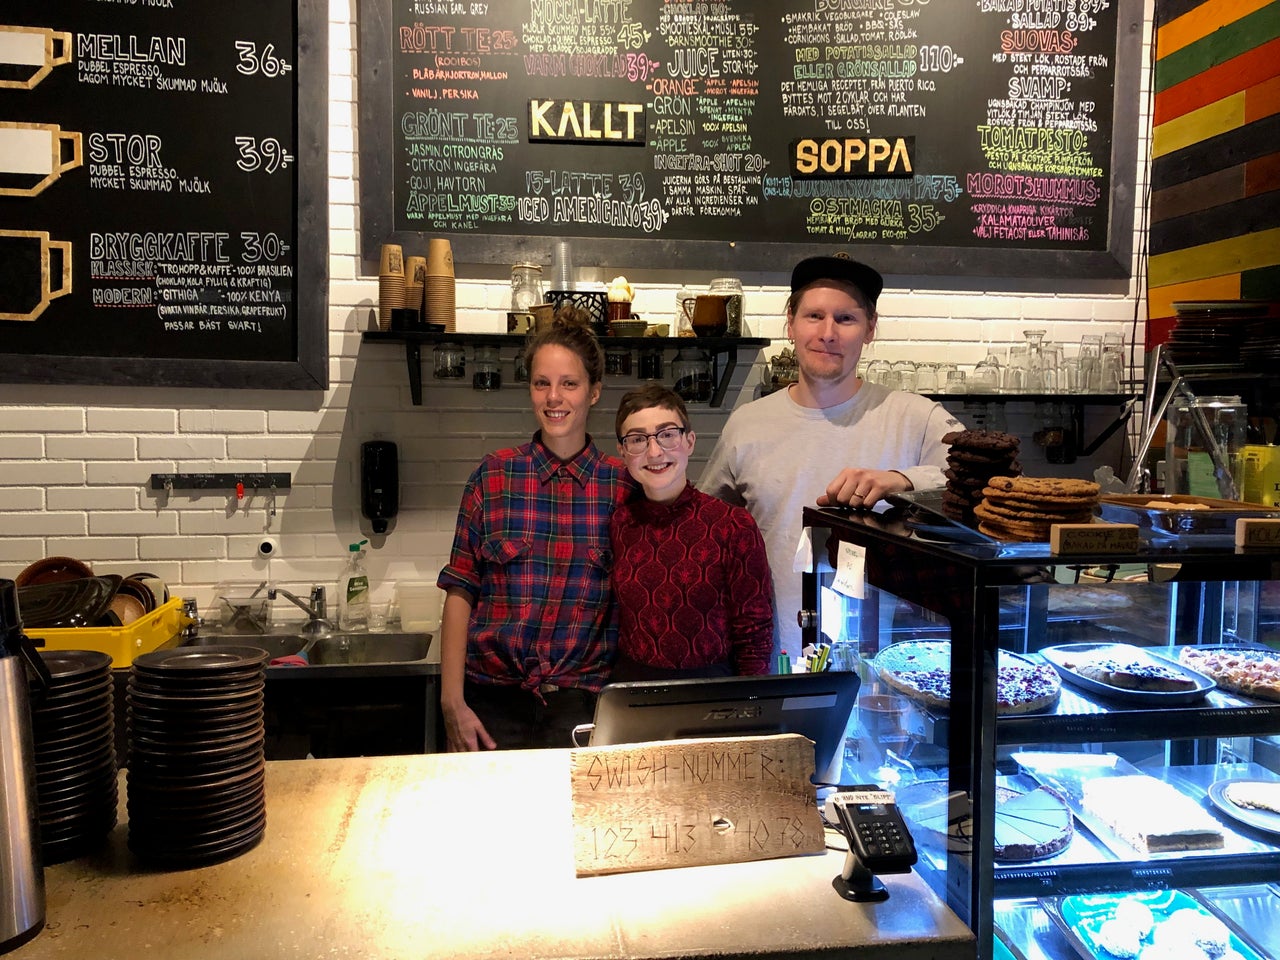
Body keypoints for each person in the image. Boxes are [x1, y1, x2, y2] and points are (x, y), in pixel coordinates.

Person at [699, 254, 963, 660]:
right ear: (790, 323)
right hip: (771, 661)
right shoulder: (748, 424)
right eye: (814, 316)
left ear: (870, 329)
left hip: (887, 670)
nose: (828, 333)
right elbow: (706, 530)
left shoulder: (915, 416)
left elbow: (990, 488)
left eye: (845, 319)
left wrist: (903, 482)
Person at [437, 307, 635, 751]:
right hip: (490, 705)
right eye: (542, 383)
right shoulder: (493, 476)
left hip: (582, 710)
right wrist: (452, 702)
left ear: (594, 392)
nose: (554, 397)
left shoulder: (622, 486)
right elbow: (460, 591)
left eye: (569, 384)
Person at [608, 383, 774, 681]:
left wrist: (751, 701)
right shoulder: (620, 523)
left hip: (711, 690)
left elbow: (754, 630)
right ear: (622, 451)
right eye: (637, 439)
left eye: (667, 435)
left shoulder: (733, 525)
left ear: (690, 441)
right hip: (632, 688)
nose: (655, 451)